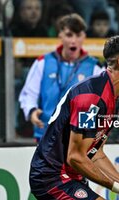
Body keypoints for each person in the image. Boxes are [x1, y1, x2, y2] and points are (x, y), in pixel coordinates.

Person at [29, 34, 119, 200]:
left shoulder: (114, 97)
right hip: (52, 178)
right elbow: (76, 157)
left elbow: (95, 153)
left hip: (71, 177)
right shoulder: (91, 98)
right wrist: (117, 187)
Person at [19, 13, 104, 141]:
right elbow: (28, 94)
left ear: (84, 37)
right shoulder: (43, 62)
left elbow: (103, 102)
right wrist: (31, 111)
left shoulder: (95, 67)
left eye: (78, 35)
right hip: (46, 135)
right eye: (69, 35)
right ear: (60, 35)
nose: (73, 41)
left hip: (78, 139)